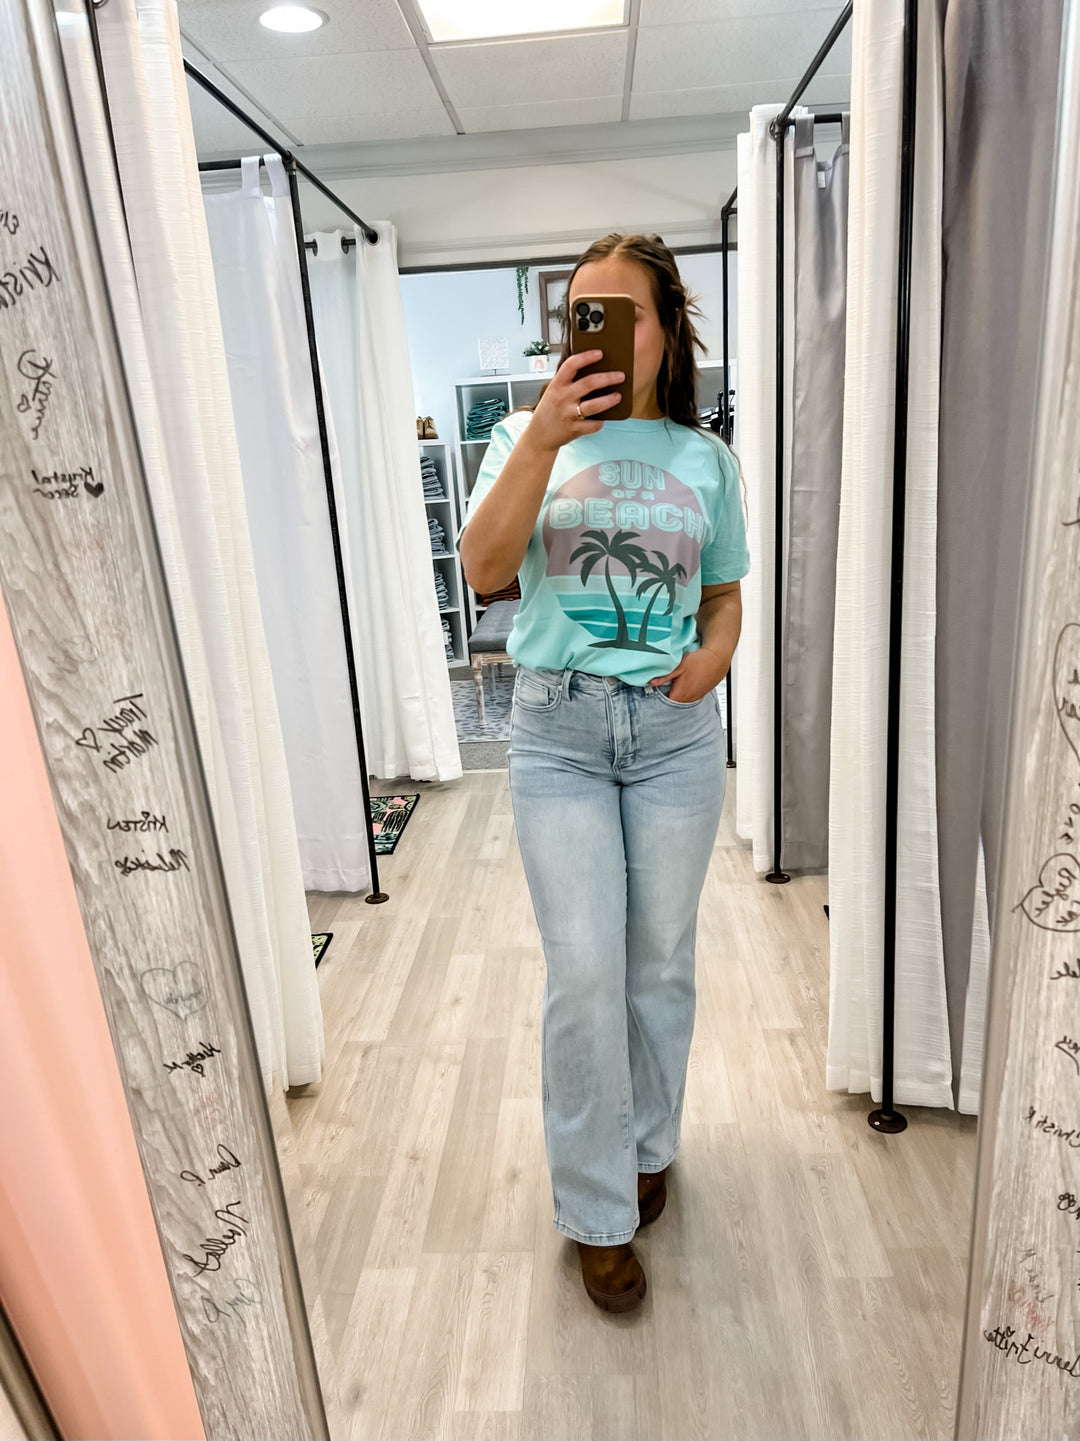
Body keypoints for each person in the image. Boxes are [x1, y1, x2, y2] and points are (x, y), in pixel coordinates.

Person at [458, 233, 749, 1313]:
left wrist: (713, 659)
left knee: (659, 963)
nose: (605, 336)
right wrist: (543, 433)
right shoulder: (519, 437)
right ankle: (594, 1208)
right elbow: (484, 569)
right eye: (585, 315)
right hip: (558, 735)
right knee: (584, 972)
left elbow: (723, 594)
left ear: (666, 329)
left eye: (625, 315)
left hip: (674, 736)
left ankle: (647, 1145)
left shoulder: (706, 459)